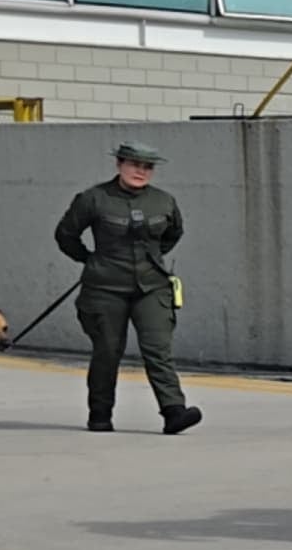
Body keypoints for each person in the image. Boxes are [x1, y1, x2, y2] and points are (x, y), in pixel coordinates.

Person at [55, 140, 200, 436]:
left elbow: (173, 234)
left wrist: (152, 259)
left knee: (157, 349)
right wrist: (91, 260)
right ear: (119, 164)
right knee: (108, 351)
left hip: (152, 285)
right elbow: (66, 235)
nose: (141, 171)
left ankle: (174, 411)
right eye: (134, 164)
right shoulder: (94, 199)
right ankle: (100, 414)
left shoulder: (163, 201)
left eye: (147, 167)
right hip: (105, 287)